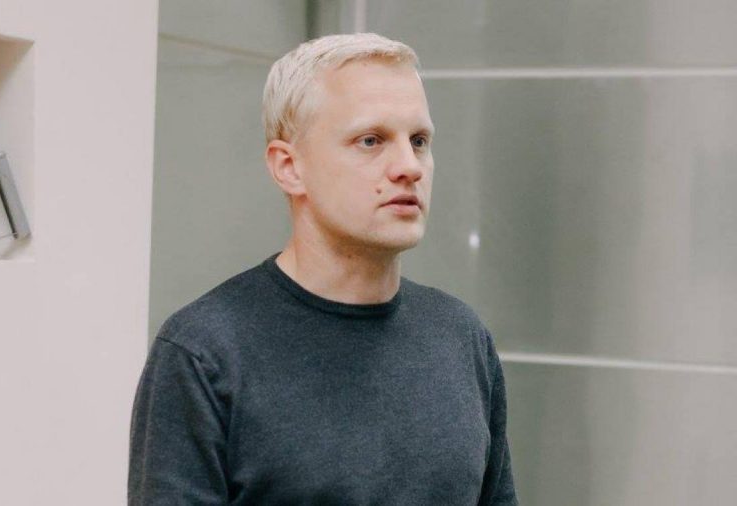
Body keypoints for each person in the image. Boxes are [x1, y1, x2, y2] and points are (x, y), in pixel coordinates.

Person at [128, 32, 518, 505]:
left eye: (419, 141)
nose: (409, 166)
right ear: (289, 167)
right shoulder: (204, 353)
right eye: (371, 140)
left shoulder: (461, 337)